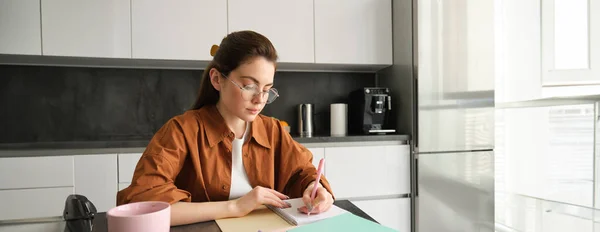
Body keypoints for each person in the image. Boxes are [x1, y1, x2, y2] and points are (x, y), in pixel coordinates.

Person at [116, 30, 335, 226]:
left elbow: (301, 173)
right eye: (249, 86)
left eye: (267, 89)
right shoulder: (181, 131)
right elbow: (144, 204)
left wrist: (315, 190)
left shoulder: (274, 131)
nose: (260, 99)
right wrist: (235, 207)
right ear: (217, 79)